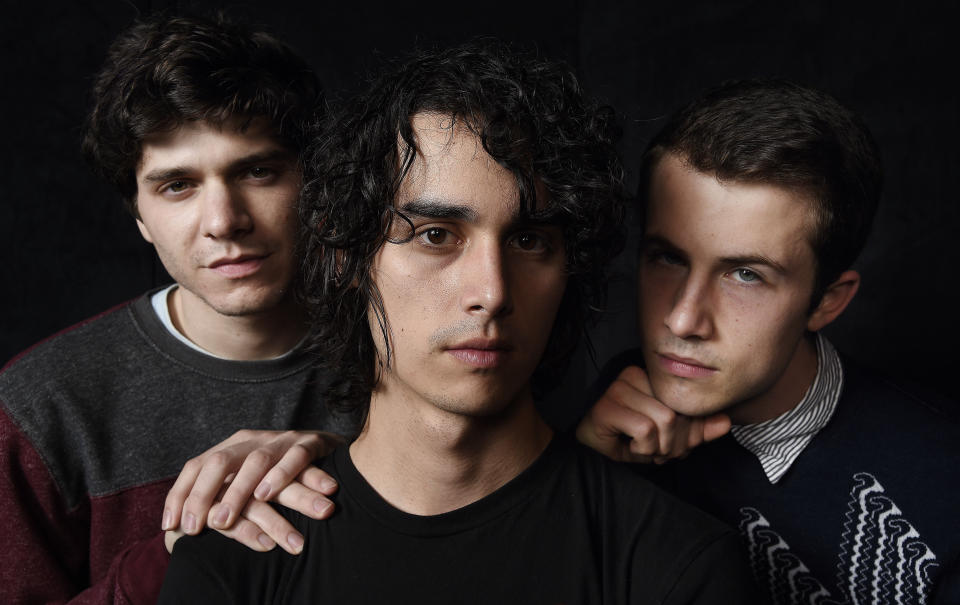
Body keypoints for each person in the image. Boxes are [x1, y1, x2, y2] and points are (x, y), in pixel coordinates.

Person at [158, 41, 755, 604]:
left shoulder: (676, 565)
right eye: (436, 236)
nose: (491, 293)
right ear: (347, 260)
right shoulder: (235, 559)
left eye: (528, 240)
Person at [0, 14, 356, 604]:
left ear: (314, 182)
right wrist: (179, 551)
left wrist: (356, 470)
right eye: (177, 186)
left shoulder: (412, 357)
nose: (224, 221)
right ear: (139, 216)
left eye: (258, 171)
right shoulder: (39, 409)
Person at [577, 79, 960, 604]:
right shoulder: (612, 416)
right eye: (667, 258)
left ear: (828, 301)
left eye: (745, 276)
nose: (683, 320)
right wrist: (580, 476)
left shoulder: (943, 482)